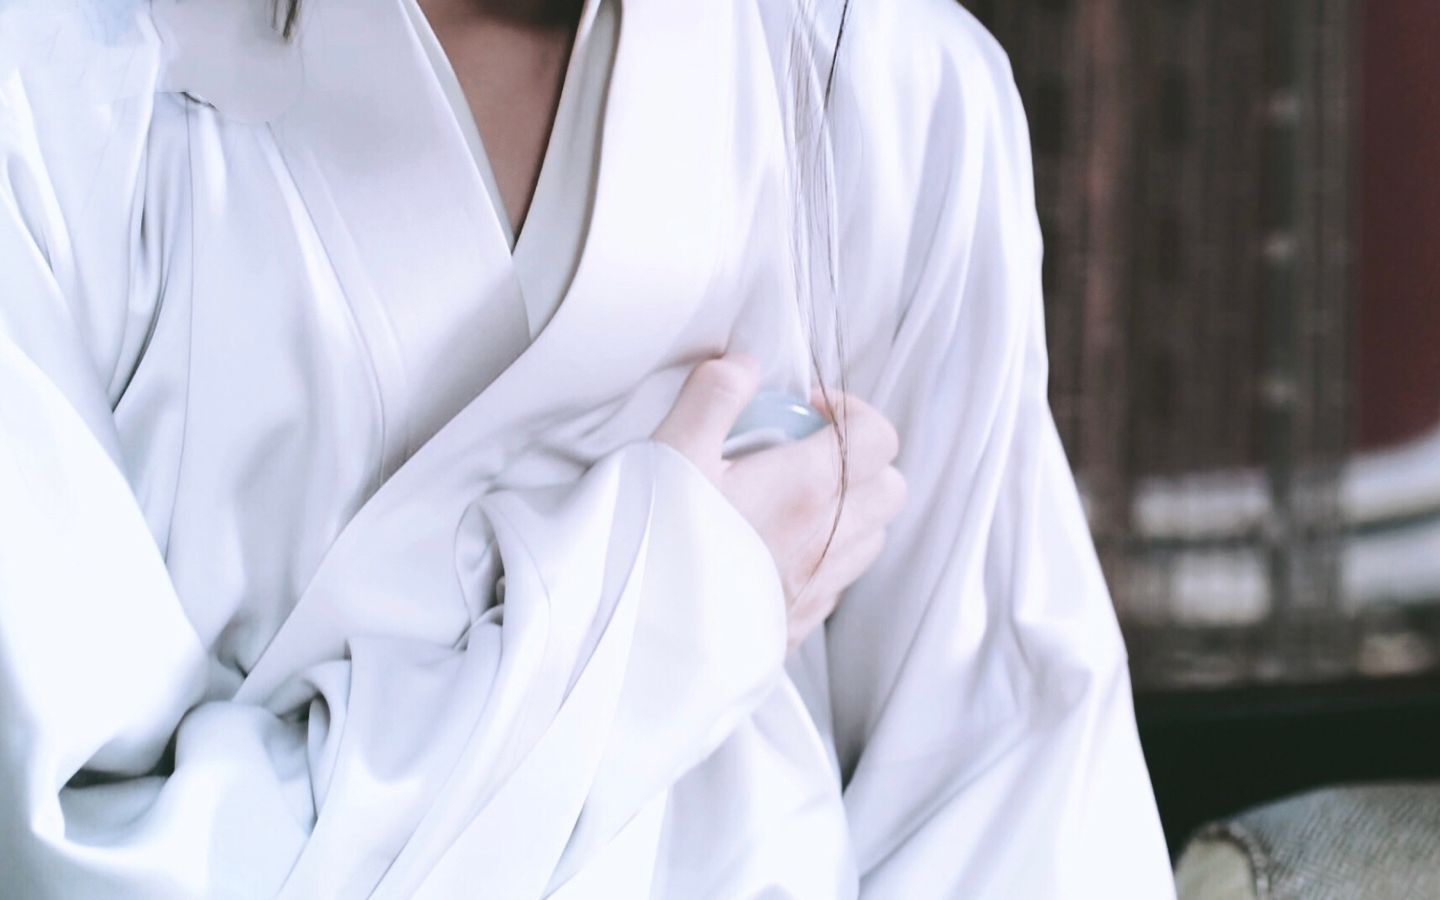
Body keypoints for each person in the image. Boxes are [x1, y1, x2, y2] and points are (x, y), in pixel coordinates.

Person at [0, 0, 1175, 895]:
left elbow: (1017, 799)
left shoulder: (884, 82)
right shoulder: (53, 89)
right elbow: (66, 856)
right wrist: (664, 611)